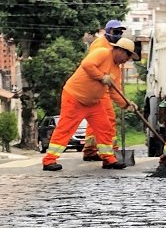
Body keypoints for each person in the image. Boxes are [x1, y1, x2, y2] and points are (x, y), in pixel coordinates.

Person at [42, 37, 137, 171]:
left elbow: (115, 92)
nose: (127, 60)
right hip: (75, 97)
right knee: (65, 129)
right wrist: (101, 76)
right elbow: (87, 64)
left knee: (105, 128)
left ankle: (108, 159)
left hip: (94, 103)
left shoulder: (116, 70)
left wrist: (127, 105)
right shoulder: (103, 52)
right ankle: (49, 160)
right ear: (120, 50)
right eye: (127, 56)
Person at [80, 20, 126, 161]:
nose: (118, 34)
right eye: (115, 32)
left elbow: (116, 82)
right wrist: (102, 78)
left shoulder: (113, 46)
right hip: (98, 86)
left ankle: (90, 150)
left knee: (95, 121)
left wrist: (125, 102)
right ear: (108, 31)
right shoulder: (100, 45)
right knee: (108, 119)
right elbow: (91, 65)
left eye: (120, 32)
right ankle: (110, 150)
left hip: (102, 86)